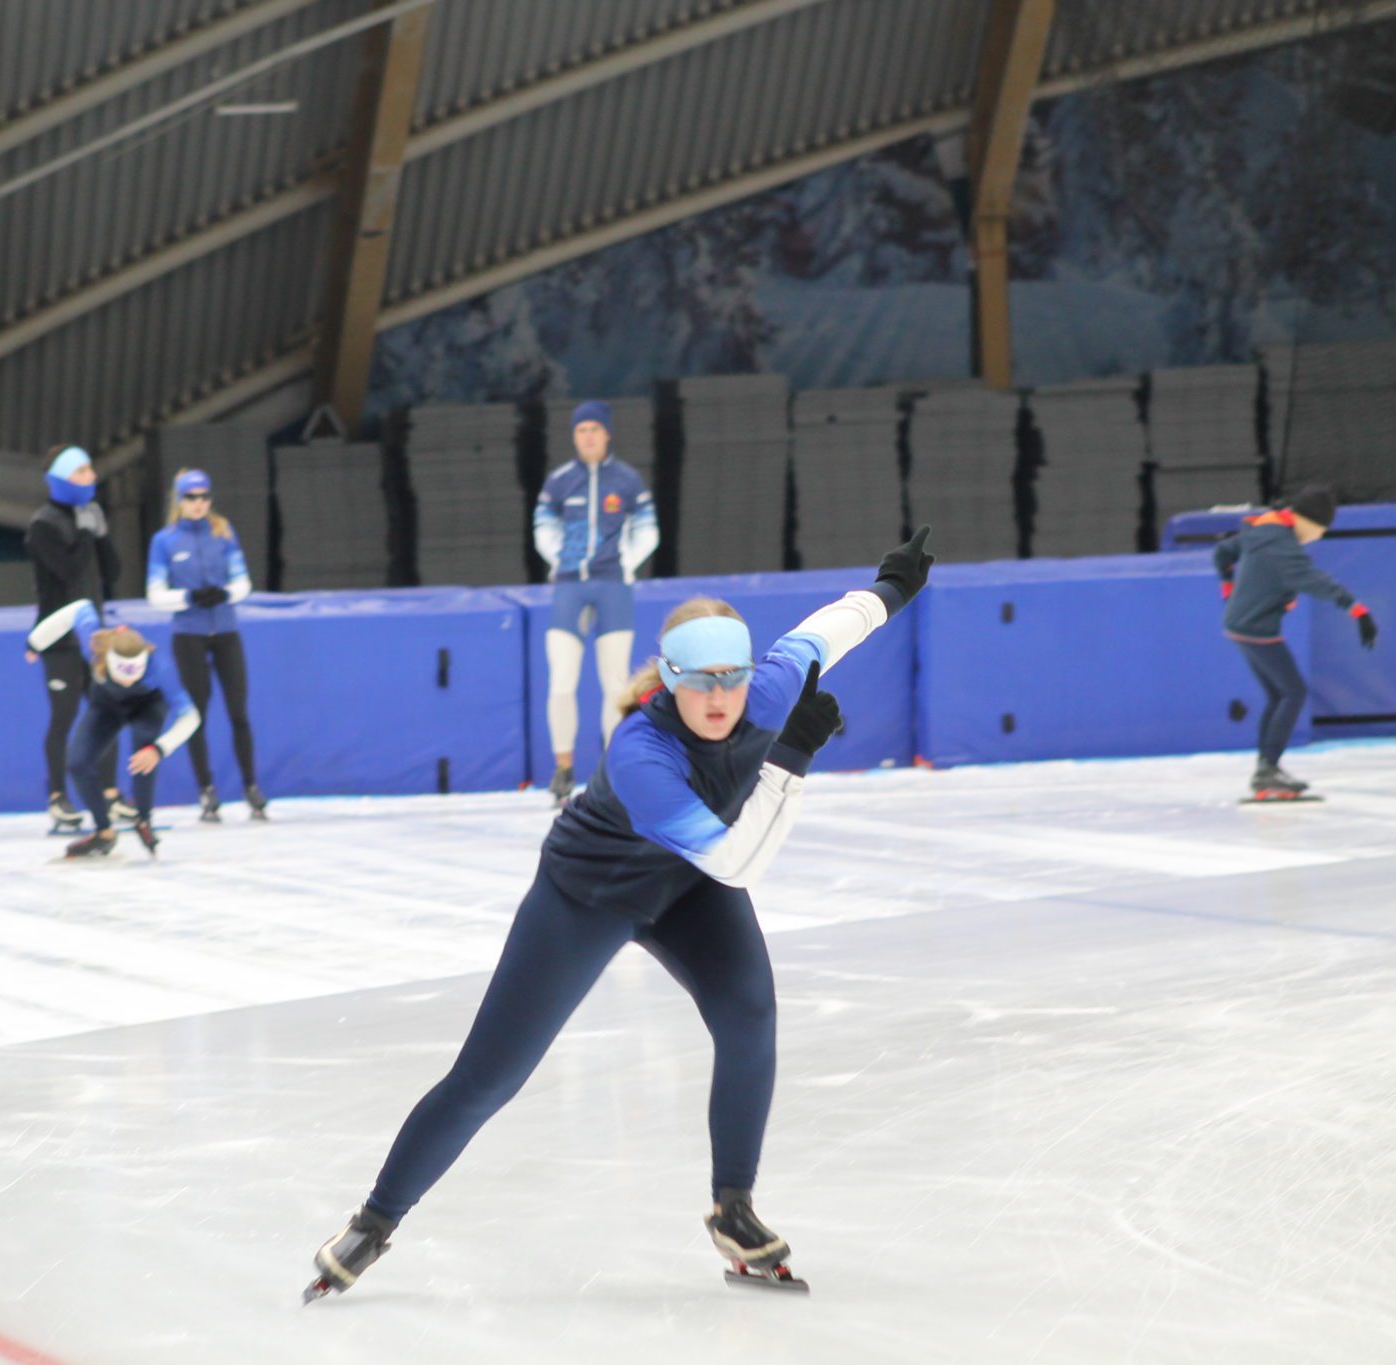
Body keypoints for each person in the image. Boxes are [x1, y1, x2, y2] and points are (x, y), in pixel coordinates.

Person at [304, 528, 937, 1303]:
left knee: (749, 1015)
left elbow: (827, 631)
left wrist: (893, 588)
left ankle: (732, 1208)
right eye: (699, 681)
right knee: (489, 1078)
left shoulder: (768, 688)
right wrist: (788, 762)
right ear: (667, 680)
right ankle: (373, 1220)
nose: (718, 698)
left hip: (688, 887)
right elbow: (739, 860)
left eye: (731, 678)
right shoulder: (643, 751)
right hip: (587, 897)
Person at [533, 400, 659, 806]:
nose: (587, 436)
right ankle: (563, 769)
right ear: (574, 436)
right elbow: (542, 529)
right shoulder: (559, 481)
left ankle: (610, 769)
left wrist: (626, 565)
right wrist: (561, 561)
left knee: (615, 682)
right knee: (562, 681)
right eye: (580, 430)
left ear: (607, 434)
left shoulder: (627, 480)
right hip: (568, 588)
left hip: (612, 586)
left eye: (594, 429)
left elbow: (648, 531)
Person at [1214, 484, 1376, 800]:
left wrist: (1228, 588)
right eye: (1320, 530)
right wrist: (1357, 609)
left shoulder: (1265, 528)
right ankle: (1268, 770)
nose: (1319, 537)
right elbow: (1313, 579)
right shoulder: (1282, 545)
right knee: (1293, 692)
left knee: (1279, 695)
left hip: (1241, 625)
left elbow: (1222, 552)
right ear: (1306, 521)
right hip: (1256, 630)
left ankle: (1266, 768)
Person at [25, 612, 199, 861]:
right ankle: (104, 831)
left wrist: (159, 749)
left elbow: (191, 717)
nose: (127, 684)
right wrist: (36, 641)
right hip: (106, 705)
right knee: (77, 764)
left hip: (147, 706)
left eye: (133, 677)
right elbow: (78, 609)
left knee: (144, 747)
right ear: (108, 662)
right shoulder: (95, 646)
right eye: (121, 677)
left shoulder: (161, 667)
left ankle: (144, 819)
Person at [146, 468, 265, 822]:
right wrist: (189, 597)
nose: (198, 504)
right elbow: (155, 595)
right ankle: (206, 790)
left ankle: (251, 787)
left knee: (238, 712)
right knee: (195, 714)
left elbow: (244, 583)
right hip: (189, 636)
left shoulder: (223, 532)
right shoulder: (164, 541)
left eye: (204, 497)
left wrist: (225, 593)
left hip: (226, 631)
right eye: (191, 498)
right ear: (179, 501)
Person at [27, 445, 122, 832]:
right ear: (64, 478)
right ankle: (57, 796)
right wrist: (84, 532)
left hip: (94, 637)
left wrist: (100, 535)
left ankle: (111, 795)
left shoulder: (91, 516)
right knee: (64, 717)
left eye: (91, 470)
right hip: (58, 639)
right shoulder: (42, 525)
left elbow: (112, 572)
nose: (92, 477)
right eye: (83, 472)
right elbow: (68, 572)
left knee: (107, 714)